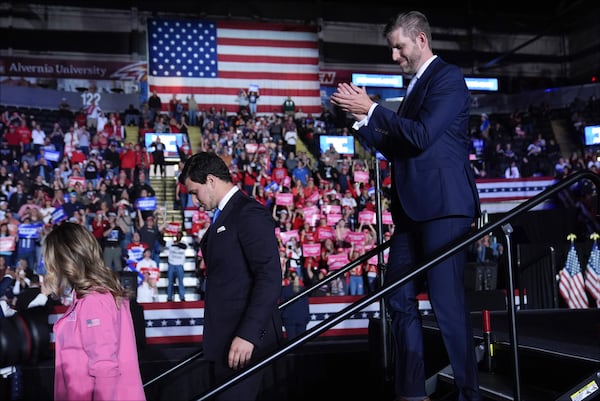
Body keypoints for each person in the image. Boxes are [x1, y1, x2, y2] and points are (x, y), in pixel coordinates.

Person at [330, 10, 481, 401]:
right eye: (392, 48)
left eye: (399, 46)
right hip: (411, 212)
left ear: (421, 41)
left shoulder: (447, 77)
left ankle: (469, 392)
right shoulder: (413, 87)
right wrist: (358, 122)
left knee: (446, 303)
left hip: (445, 207)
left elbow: (422, 135)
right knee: (396, 295)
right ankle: (411, 390)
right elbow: (398, 147)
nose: (394, 55)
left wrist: (375, 109)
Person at [178, 151, 283, 400]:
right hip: (228, 338)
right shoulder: (225, 215)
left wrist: (248, 334)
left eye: (194, 192)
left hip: (244, 339)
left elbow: (269, 276)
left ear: (211, 180)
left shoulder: (247, 213)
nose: (194, 201)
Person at [41, 222, 146, 401]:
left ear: (66, 259)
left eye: (52, 260)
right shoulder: (91, 296)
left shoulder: (94, 300)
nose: (49, 267)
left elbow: (105, 369)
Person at [166, 230, 187, 302]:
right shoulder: (170, 242)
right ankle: (169, 297)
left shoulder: (184, 242)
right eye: (177, 235)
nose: (178, 236)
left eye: (179, 235)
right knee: (170, 282)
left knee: (180, 282)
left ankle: (182, 297)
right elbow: (165, 244)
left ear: (181, 236)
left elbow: (184, 247)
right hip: (171, 264)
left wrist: (176, 244)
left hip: (179, 265)